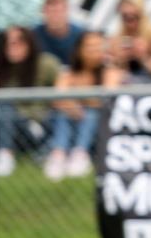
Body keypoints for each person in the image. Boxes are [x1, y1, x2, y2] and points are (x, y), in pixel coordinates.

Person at [45, 31, 122, 181]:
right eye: (89, 46)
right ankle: (58, 155)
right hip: (70, 118)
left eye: (97, 46)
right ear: (79, 49)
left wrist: (76, 100)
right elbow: (57, 98)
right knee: (63, 113)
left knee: (90, 113)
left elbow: (106, 100)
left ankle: (80, 154)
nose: (93, 50)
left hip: (98, 124)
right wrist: (73, 106)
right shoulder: (68, 72)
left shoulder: (109, 71)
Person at [0, 26, 61, 176]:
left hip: (34, 127)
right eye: (8, 43)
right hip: (6, 127)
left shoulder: (45, 63)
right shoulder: (2, 67)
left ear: (29, 43)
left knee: (3, 104)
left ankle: (6, 155)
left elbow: (63, 88)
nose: (13, 47)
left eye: (19, 42)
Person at [106, 0, 151, 81]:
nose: (130, 23)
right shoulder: (116, 38)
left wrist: (142, 57)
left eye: (134, 17)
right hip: (127, 79)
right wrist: (121, 58)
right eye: (126, 17)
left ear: (141, 13)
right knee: (111, 74)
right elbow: (113, 67)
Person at [32, 0, 84, 67]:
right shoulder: (33, 36)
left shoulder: (82, 37)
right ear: (43, 10)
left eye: (58, 10)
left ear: (67, 9)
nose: (54, 14)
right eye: (51, 9)